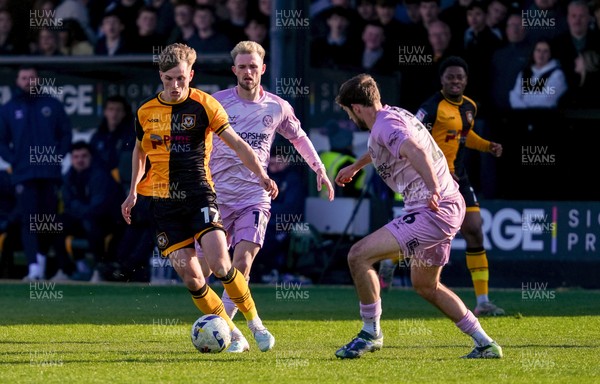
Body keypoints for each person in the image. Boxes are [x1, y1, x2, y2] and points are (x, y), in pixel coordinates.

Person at [332, 73, 502, 359]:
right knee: (426, 285)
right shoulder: (392, 116)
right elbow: (388, 147)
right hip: (445, 205)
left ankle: (370, 332)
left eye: (349, 112)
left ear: (357, 107)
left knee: (358, 255)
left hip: (432, 208)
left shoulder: (385, 125)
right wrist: (356, 167)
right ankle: (485, 343)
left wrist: (433, 189)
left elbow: (414, 149)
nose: (350, 118)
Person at [121, 43, 277, 352]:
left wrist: (261, 175)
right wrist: (131, 191)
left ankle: (256, 324)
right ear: (161, 76)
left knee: (221, 264)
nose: (175, 86)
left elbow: (237, 142)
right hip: (164, 204)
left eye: (181, 78)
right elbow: (140, 150)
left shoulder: (205, 105)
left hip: (200, 195)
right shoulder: (146, 111)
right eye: (168, 79)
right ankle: (232, 334)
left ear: (191, 74)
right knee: (193, 280)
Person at [193, 40, 334, 353]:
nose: (247, 72)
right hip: (215, 196)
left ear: (263, 69)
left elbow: (299, 137)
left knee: (241, 264)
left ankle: (225, 331)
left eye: (253, 67)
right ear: (234, 70)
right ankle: (236, 332)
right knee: (203, 271)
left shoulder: (277, 107)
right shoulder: (216, 103)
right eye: (242, 67)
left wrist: (319, 168)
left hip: (254, 196)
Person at [413, 56, 504, 316]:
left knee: (474, 229)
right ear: (442, 79)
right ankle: (392, 256)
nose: (455, 81)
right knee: (429, 234)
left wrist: (487, 146)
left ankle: (483, 301)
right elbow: (413, 140)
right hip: (435, 179)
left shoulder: (470, 106)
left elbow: (465, 136)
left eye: (460, 77)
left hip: (459, 178)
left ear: (466, 80)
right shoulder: (431, 108)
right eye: (450, 76)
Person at [0, 65, 72, 281]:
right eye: (24, 78)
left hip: (50, 174)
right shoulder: (8, 109)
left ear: (38, 80)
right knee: (29, 220)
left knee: (48, 221)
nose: (28, 81)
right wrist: (15, 160)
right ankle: (33, 268)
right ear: (17, 81)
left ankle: (40, 262)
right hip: (24, 174)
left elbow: (66, 134)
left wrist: (57, 156)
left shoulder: (52, 105)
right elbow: (2, 141)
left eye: (32, 78)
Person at [53, 141, 125, 282]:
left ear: (90, 157)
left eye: (84, 156)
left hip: (108, 221)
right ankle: (66, 270)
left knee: (92, 222)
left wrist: (78, 209)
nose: (80, 160)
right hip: (83, 218)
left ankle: (100, 270)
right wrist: (79, 211)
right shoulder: (68, 176)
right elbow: (68, 203)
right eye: (76, 157)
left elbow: (98, 206)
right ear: (71, 159)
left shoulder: (100, 175)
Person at [509, 39, 568, 110]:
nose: (541, 54)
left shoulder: (557, 75)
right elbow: (515, 96)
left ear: (550, 54)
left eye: (545, 51)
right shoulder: (525, 73)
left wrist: (525, 99)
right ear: (533, 52)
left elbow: (547, 99)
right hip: (523, 117)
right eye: (538, 50)